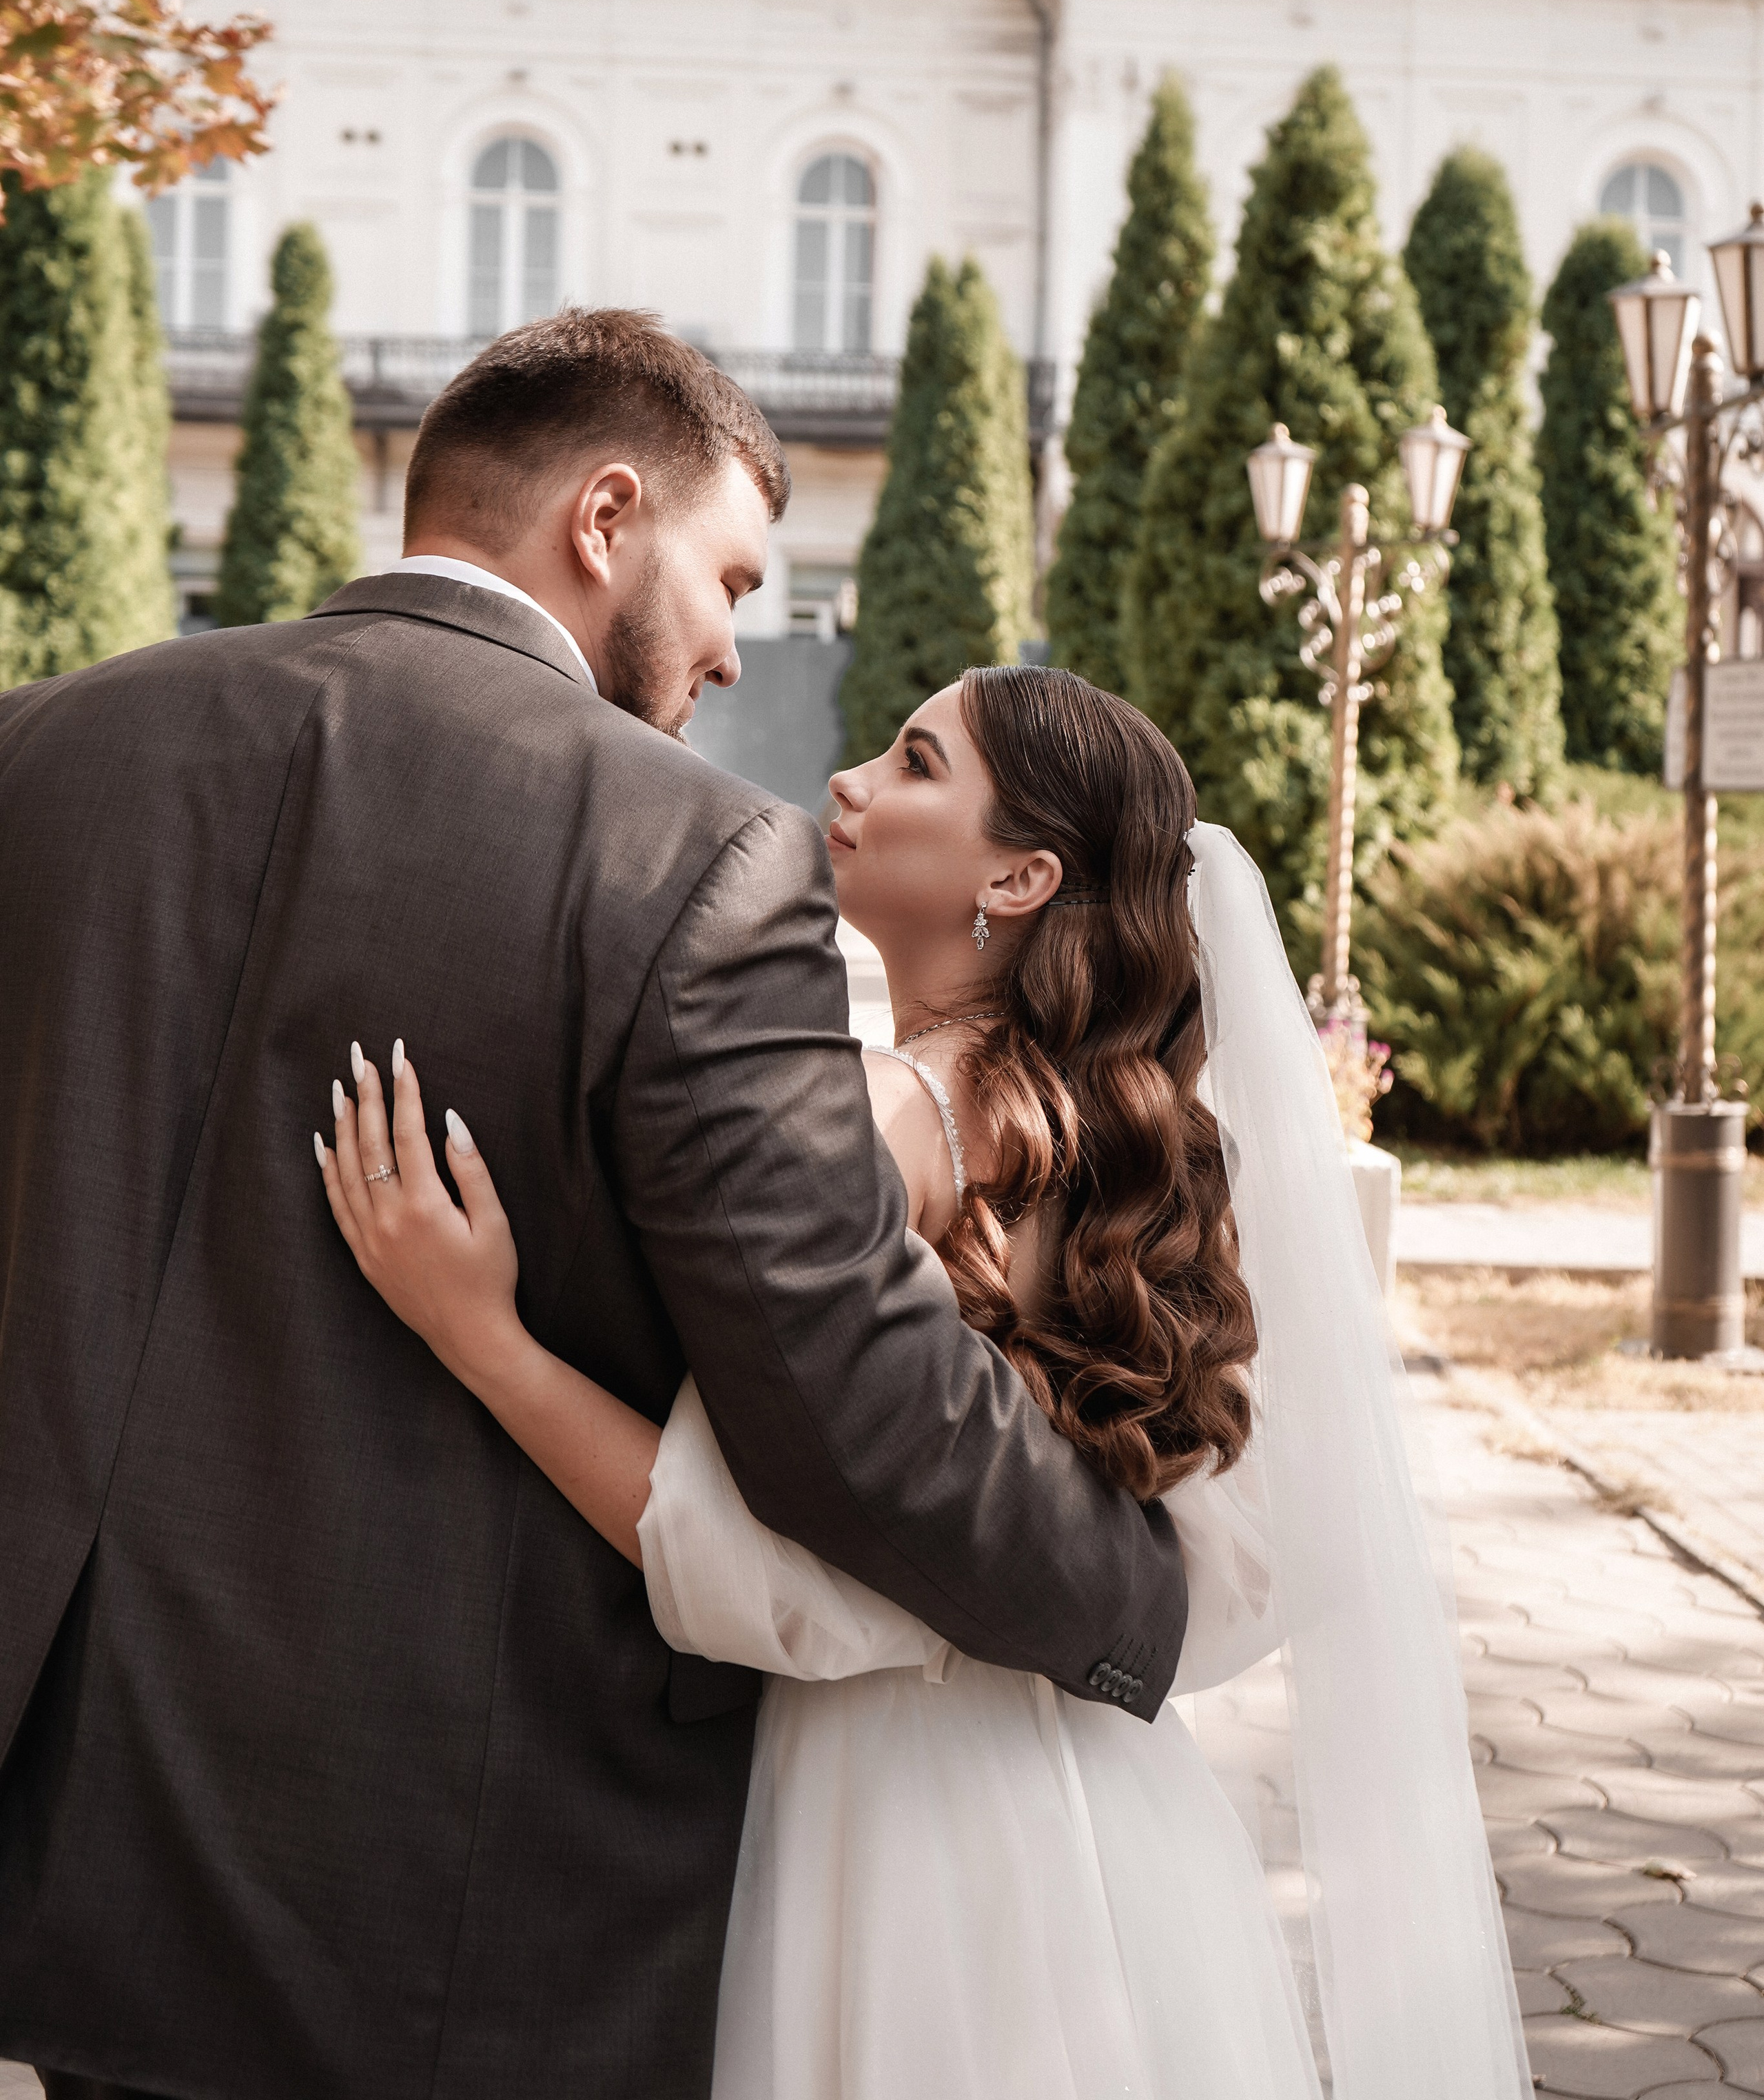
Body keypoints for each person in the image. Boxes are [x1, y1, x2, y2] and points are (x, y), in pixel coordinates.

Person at [0, 313, 1189, 2100]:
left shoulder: (45, 753)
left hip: (68, 1836)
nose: (727, 651)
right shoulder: (686, 855)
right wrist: (1129, 1589)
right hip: (466, 1886)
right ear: (605, 516)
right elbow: (845, 1396)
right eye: (727, 578)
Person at [321, 664, 1534, 2100]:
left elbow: (730, 1543)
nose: (847, 783)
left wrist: (482, 1337)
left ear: (1017, 875)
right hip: (1111, 1810)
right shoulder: (1122, 1141)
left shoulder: (891, 1119)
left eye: (910, 763)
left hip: (896, 1819)